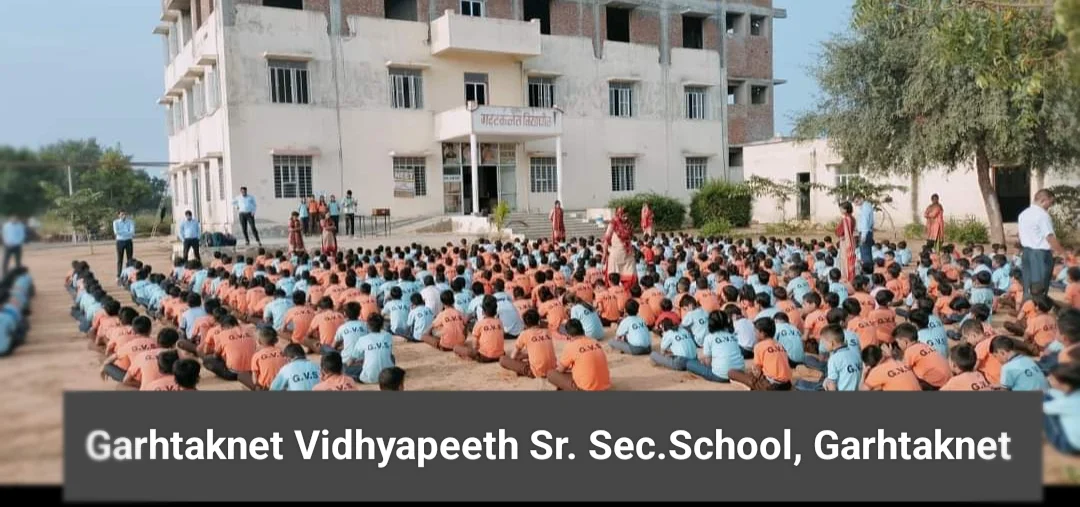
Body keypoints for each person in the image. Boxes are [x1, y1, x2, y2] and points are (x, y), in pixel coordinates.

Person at [1018, 188, 1062, 301]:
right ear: (1044, 200)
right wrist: (1063, 253)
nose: (1050, 206)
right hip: (1040, 254)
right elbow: (1049, 237)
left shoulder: (1023, 214)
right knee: (1039, 286)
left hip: (1026, 252)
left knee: (1028, 285)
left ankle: (1027, 307)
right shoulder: (1042, 215)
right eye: (1050, 202)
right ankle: (1038, 308)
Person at [727, 317, 793, 391]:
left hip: (771, 386)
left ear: (762, 333)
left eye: (755, 331)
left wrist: (752, 374)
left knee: (731, 372)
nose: (754, 334)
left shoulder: (759, 346)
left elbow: (757, 372)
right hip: (787, 385)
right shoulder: (779, 345)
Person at [547, 319, 612, 391]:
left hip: (587, 389)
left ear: (568, 335)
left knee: (551, 374)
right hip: (605, 386)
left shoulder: (571, 346)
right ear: (582, 330)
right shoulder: (595, 342)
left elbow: (560, 370)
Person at [500, 309, 557, 378]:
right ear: (538, 321)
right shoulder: (547, 332)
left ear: (525, 324)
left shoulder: (525, 334)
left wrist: (517, 360)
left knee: (503, 359)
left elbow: (513, 356)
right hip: (552, 369)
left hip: (537, 372)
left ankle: (526, 371)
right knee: (525, 355)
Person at [1043, 363, 1080, 455]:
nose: (1048, 379)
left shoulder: (1067, 403)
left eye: (1052, 378)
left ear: (1063, 383)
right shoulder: (1075, 393)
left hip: (1070, 446)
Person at [603, 207, 637, 290]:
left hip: (627, 255)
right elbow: (607, 239)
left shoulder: (629, 224)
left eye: (627, 216)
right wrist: (604, 253)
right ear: (619, 214)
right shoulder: (613, 223)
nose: (626, 218)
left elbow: (630, 237)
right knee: (613, 278)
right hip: (616, 255)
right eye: (623, 216)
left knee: (630, 277)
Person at [834, 201, 857, 283]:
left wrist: (837, 228)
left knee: (845, 261)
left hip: (845, 241)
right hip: (851, 240)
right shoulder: (852, 218)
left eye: (841, 209)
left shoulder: (845, 219)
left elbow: (839, 232)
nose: (840, 210)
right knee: (850, 259)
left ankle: (847, 278)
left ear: (846, 209)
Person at [112, 209, 135, 282]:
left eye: (125, 214)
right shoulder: (115, 222)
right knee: (120, 259)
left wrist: (122, 232)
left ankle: (130, 275)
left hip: (128, 241)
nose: (124, 216)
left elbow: (132, 232)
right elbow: (116, 232)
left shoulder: (130, 222)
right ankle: (118, 275)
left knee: (130, 259)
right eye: (122, 214)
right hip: (120, 242)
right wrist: (127, 232)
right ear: (118, 215)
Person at [853, 195, 875, 266]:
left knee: (865, 253)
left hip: (864, 232)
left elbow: (865, 222)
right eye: (855, 202)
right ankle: (869, 268)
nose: (856, 204)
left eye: (857, 201)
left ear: (862, 199)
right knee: (866, 252)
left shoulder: (865, 207)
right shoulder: (866, 206)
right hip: (866, 232)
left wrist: (863, 236)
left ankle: (867, 269)